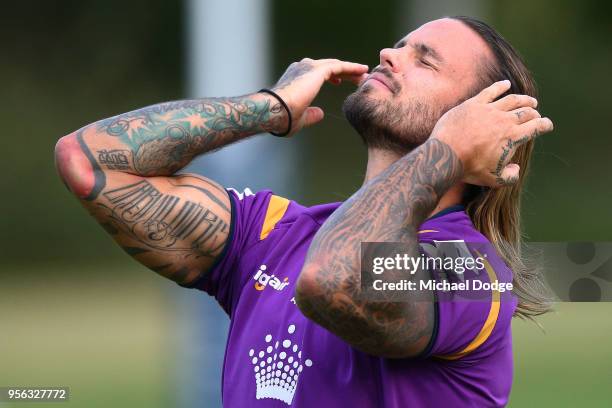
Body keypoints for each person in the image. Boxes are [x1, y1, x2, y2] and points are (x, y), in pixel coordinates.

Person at [55, 16, 553, 408]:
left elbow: (331, 280)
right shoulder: (271, 233)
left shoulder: (471, 273)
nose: (389, 54)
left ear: (476, 122)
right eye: (400, 45)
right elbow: (89, 161)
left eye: (426, 61)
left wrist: (447, 151)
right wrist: (269, 107)